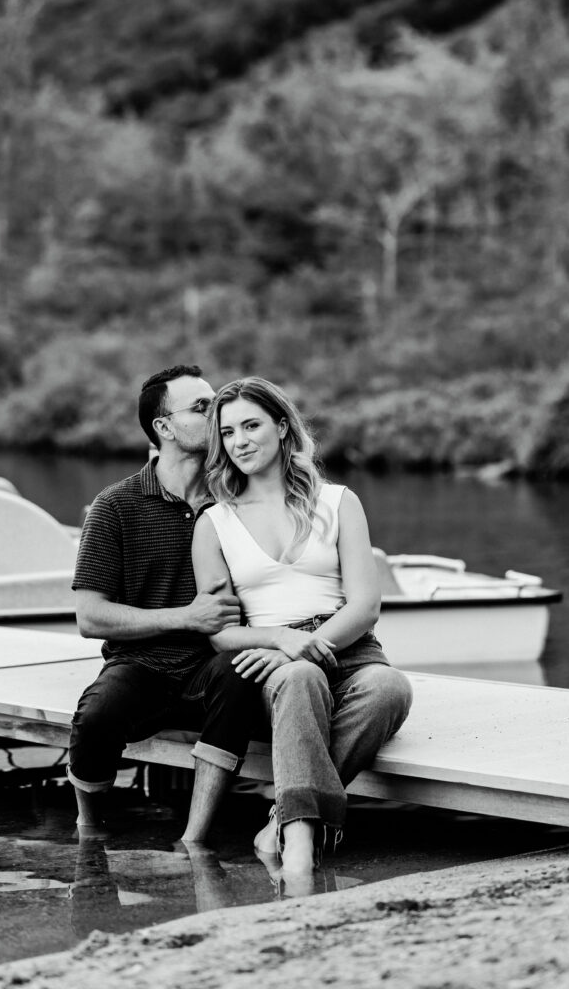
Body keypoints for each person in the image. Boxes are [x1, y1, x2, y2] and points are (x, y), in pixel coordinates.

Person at [191, 376, 413, 873]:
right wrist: (281, 641)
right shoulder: (215, 522)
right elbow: (219, 631)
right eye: (228, 433)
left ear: (284, 428)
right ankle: (299, 851)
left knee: (389, 688)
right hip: (272, 661)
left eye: (251, 425)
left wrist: (307, 642)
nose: (240, 441)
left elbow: (365, 604)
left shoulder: (337, 501)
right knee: (300, 676)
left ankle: (280, 819)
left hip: (348, 646)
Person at [67, 365, 264, 842]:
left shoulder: (240, 499)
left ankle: (195, 838)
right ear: (163, 427)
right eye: (201, 407)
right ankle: (89, 834)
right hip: (143, 666)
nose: (217, 413)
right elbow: (90, 616)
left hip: (214, 669)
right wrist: (186, 617)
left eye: (215, 401)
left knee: (240, 672)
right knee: (96, 715)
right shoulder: (115, 506)